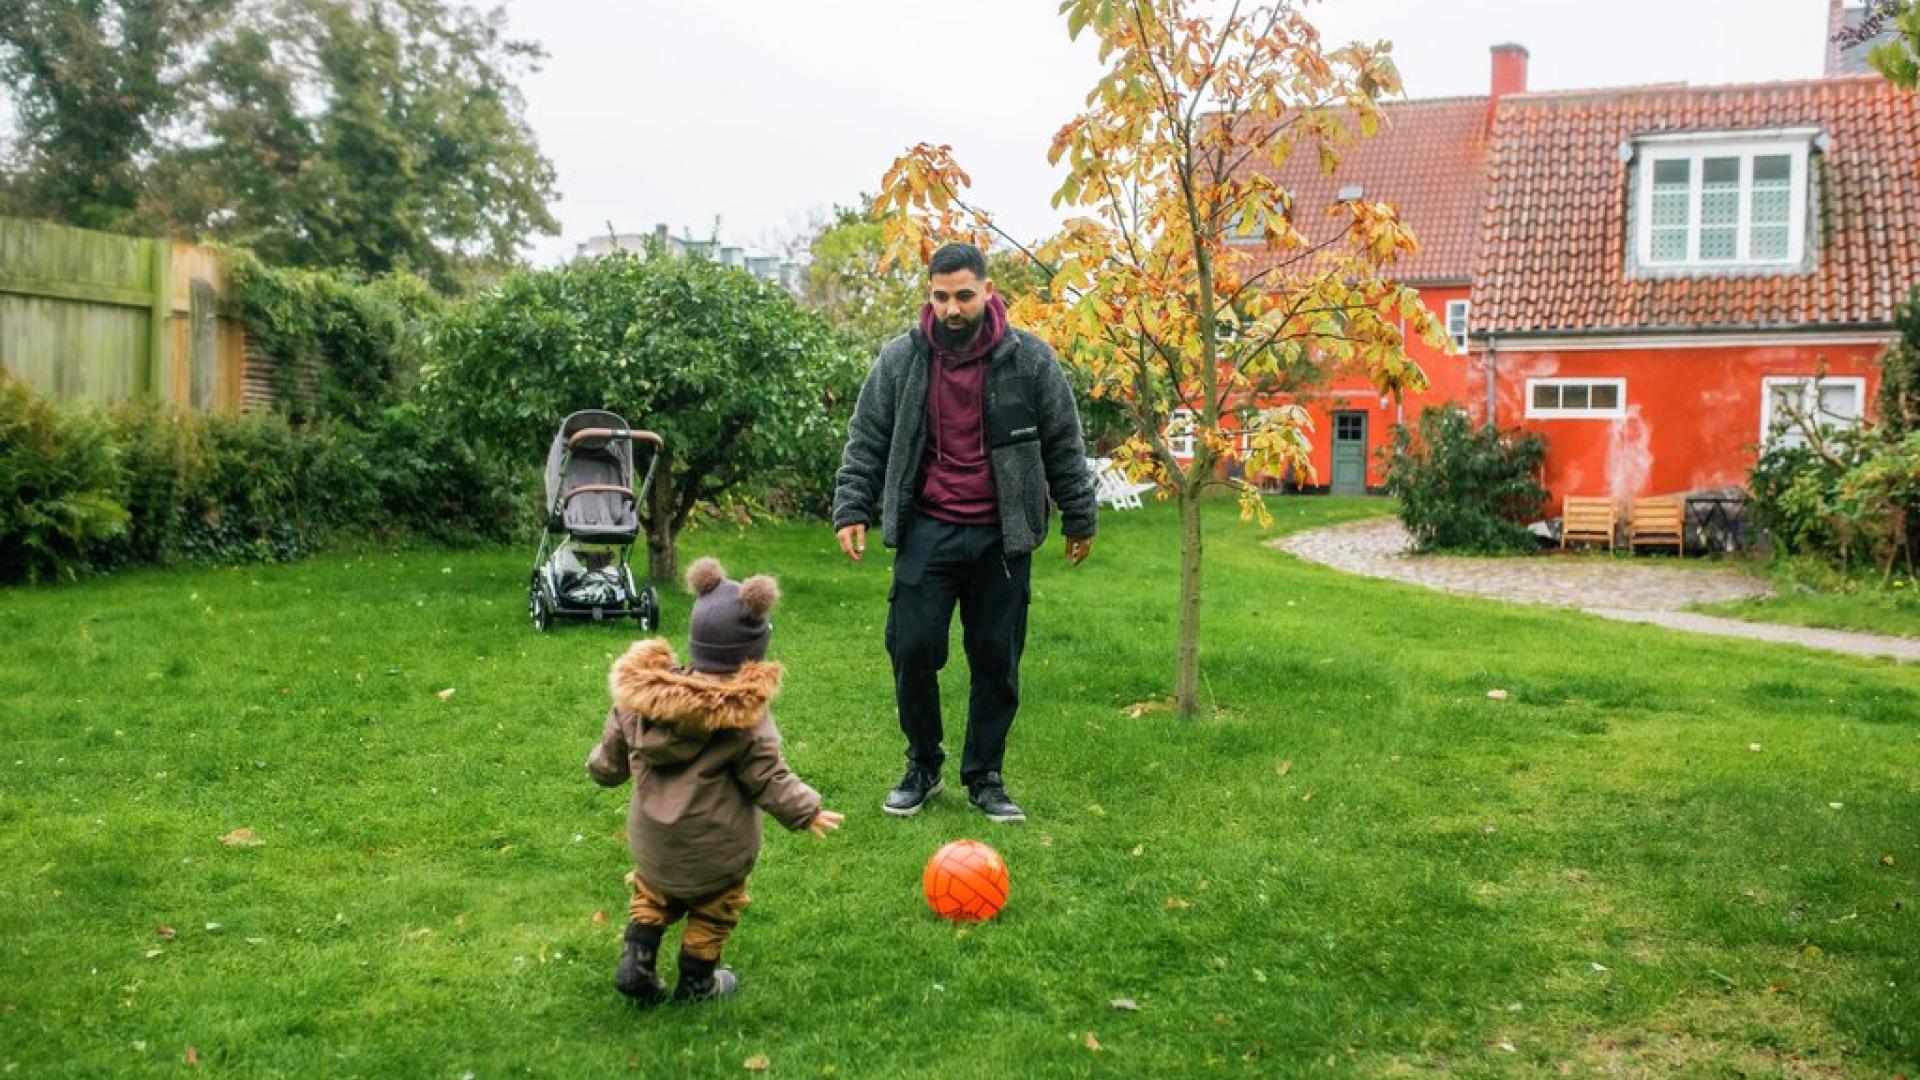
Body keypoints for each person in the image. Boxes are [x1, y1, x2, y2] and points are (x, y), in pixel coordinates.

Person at [831, 241, 1098, 824]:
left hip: (1004, 536)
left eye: (963, 296)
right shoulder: (902, 359)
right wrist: (851, 506)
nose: (952, 309)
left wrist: (1079, 515)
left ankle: (985, 775)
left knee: (996, 660)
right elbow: (867, 435)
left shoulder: (1028, 359)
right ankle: (922, 765)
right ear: (930, 293)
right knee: (911, 647)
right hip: (929, 527)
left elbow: (1063, 440)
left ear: (987, 291)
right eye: (940, 296)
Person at [585, 557, 843, 1004]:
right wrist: (808, 811)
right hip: (716, 849)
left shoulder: (640, 699)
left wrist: (602, 770)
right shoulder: (745, 720)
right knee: (714, 910)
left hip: (654, 843)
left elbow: (610, 757)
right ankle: (698, 982)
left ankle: (638, 960)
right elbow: (768, 775)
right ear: (751, 656)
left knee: (652, 894)